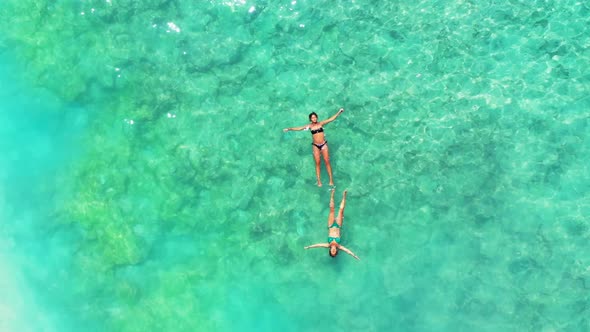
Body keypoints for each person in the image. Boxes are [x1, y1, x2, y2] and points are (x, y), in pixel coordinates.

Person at [283, 108, 345, 187]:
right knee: (318, 163)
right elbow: (299, 128)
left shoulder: (321, 124)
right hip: (315, 146)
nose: (314, 118)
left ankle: (331, 180)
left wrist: (339, 112)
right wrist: (289, 129)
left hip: (323, 144)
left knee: (327, 161)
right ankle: (319, 181)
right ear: (310, 119)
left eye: (315, 117)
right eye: (312, 117)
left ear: (317, 117)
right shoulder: (309, 126)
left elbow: (331, 119)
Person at [304, 189, 359, 260]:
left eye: (332, 252)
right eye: (334, 252)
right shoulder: (339, 246)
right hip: (338, 226)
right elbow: (347, 251)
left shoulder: (327, 245)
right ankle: (344, 195)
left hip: (331, 225)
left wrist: (308, 247)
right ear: (336, 251)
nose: (333, 251)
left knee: (331, 209)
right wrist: (355, 256)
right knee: (341, 210)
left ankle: (332, 193)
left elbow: (318, 245)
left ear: (330, 250)